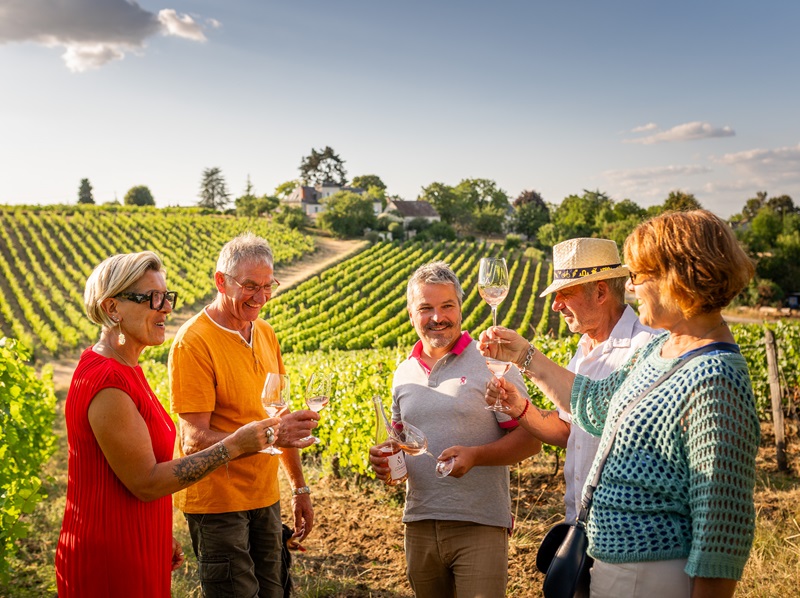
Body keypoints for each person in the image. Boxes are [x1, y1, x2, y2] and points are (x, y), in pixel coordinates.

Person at [481, 210, 760, 598]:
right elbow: (594, 404)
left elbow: (722, 527)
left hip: (650, 576)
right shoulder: (662, 351)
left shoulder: (714, 377)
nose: (630, 286)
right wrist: (524, 355)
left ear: (678, 278)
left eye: (639, 275)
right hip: (613, 566)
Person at [55, 251, 278, 598]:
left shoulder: (127, 369)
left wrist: (159, 531)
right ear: (112, 308)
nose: (166, 308)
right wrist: (235, 444)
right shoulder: (109, 383)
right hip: (111, 557)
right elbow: (145, 482)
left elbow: (134, 469)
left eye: (166, 297)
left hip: (135, 540)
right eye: (152, 299)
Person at [369, 261, 542, 598]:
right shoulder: (403, 372)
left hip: (479, 523)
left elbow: (530, 439)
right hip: (418, 522)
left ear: (461, 309)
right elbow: (399, 445)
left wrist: (476, 456)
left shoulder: (491, 362)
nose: (438, 317)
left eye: (447, 306)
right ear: (411, 314)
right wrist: (384, 461)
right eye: (426, 308)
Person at [169, 232, 319, 598]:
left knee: (276, 592)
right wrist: (270, 436)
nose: (261, 296)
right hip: (217, 502)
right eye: (251, 286)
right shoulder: (194, 342)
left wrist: (299, 488)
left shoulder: (265, 333)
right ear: (221, 281)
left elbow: (279, 422)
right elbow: (193, 440)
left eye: (269, 286)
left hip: (264, 496)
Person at [508, 237, 657, 523]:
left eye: (565, 293)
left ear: (600, 292)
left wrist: (526, 357)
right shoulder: (584, 348)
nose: (556, 305)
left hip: (626, 527)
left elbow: (609, 421)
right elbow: (568, 428)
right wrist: (518, 407)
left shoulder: (645, 348)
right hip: (578, 521)